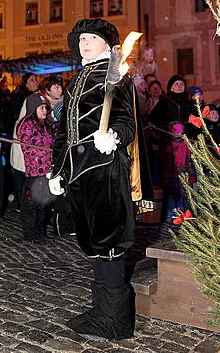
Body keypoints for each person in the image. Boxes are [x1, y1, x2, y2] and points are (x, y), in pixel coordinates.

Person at [48, 18, 154, 341]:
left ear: (108, 45)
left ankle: (116, 320)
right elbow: (63, 131)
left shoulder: (116, 76)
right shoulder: (76, 80)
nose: (84, 43)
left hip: (105, 170)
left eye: (91, 37)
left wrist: (115, 137)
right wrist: (57, 169)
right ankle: (101, 310)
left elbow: (126, 121)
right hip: (78, 173)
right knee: (91, 241)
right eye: (81, 39)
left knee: (108, 242)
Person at [17, 92, 55, 244]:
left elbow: (51, 142)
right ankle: (31, 233)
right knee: (32, 204)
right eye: (41, 108)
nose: (45, 110)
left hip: (46, 171)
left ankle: (40, 231)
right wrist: (45, 150)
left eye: (45, 107)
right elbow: (28, 149)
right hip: (35, 172)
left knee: (43, 204)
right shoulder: (26, 125)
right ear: (33, 109)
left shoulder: (45, 125)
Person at [161, 121, 196, 223]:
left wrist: (192, 175)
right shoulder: (168, 145)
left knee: (184, 196)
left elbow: (189, 161)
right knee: (171, 195)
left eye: (181, 131)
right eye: (176, 130)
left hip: (184, 174)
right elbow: (165, 162)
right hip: (171, 174)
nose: (179, 133)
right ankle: (170, 215)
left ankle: (184, 215)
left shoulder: (186, 145)